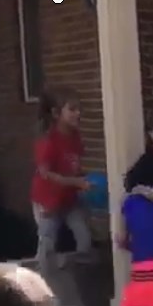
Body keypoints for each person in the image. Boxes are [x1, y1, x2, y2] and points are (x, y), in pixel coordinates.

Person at [31, 88, 92, 271]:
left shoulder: (74, 136)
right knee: (47, 241)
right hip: (47, 201)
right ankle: (41, 277)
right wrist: (76, 182)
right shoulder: (48, 140)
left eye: (79, 109)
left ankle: (79, 273)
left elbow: (74, 166)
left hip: (69, 199)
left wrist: (84, 180)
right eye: (72, 109)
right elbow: (46, 174)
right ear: (56, 113)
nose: (78, 113)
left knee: (84, 237)